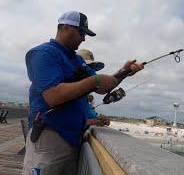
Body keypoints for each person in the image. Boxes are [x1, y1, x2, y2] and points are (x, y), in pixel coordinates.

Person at [23, 11, 144, 175]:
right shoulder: (43, 54)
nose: (83, 39)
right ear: (66, 27)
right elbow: (53, 96)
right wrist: (94, 81)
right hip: (49, 137)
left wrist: (124, 71)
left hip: (73, 139)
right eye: (81, 32)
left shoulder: (77, 60)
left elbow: (102, 87)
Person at [76, 48, 110, 127]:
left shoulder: (83, 95)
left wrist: (99, 118)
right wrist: (87, 121)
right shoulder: (67, 87)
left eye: (91, 68)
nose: (90, 71)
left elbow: (86, 110)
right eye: (86, 68)